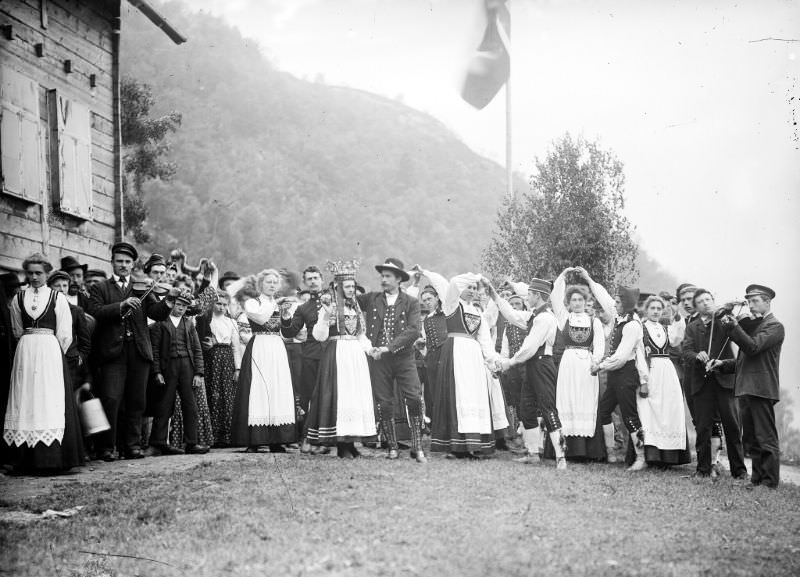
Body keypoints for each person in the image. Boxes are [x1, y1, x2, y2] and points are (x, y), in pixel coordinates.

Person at [87, 242, 175, 461]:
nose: (123, 265)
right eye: (119, 261)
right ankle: (106, 448)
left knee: (137, 401)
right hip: (112, 353)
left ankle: (132, 446)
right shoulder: (100, 288)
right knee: (111, 399)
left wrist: (170, 300)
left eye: (127, 262)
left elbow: (157, 313)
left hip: (138, 352)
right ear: (112, 262)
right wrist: (121, 306)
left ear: (133, 263)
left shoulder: (143, 287)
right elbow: (95, 312)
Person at [3, 254, 83, 472]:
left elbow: (65, 334)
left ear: (47, 273)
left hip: (50, 351)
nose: (34, 276)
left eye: (39, 272)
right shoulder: (19, 298)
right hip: (26, 351)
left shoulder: (57, 298)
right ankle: (23, 458)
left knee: (48, 398)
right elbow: (17, 329)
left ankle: (52, 458)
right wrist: (30, 345)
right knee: (26, 397)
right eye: (30, 273)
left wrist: (52, 354)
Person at [306, 260, 376, 458]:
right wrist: (325, 318)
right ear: (337, 287)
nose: (351, 289)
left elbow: (361, 335)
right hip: (337, 354)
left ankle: (352, 443)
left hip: (355, 355)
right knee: (342, 396)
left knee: (354, 396)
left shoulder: (356, 309)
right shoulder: (328, 308)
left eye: (353, 286)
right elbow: (319, 336)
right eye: (347, 286)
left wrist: (370, 350)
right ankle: (342, 445)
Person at [494, 278, 567, 469]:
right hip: (533, 366)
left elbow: (529, 348)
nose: (527, 298)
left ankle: (561, 457)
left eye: (530, 295)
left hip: (543, 365)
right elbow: (512, 316)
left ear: (538, 296)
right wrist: (495, 296)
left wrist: (508, 363)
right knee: (526, 408)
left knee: (548, 409)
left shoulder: (545, 318)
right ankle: (533, 453)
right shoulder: (534, 316)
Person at [358, 258, 426, 462]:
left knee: (414, 397)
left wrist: (388, 348)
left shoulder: (411, 302)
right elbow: (348, 298)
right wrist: (343, 279)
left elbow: (414, 330)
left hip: (403, 358)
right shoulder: (371, 299)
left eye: (388, 276)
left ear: (399, 279)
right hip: (379, 360)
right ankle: (392, 446)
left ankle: (417, 445)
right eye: (382, 276)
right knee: (384, 402)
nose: (383, 279)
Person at [720, 284, 784, 488]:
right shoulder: (755, 326)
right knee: (751, 439)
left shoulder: (774, 326)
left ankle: (770, 481)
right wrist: (722, 364)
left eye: (756, 301)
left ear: (768, 302)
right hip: (746, 387)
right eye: (749, 301)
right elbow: (744, 361)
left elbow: (753, 348)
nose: (751, 305)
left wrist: (733, 327)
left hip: (761, 388)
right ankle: (757, 479)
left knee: (765, 437)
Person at [681, 289, 747, 480]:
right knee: (703, 428)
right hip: (702, 383)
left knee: (732, 427)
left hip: (725, 382)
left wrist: (727, 315)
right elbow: (686, 352)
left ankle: (739, 472)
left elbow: (738, 336)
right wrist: (697, 356)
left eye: (708, 299)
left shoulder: (723, 321)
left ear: (714, 301)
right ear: (696, 306)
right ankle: (702, 470)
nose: (705, 303)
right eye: (700, 301)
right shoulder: (692, 327)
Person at [232, 270, 299, 452]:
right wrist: (276, 305)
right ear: (260, 284)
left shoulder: (278, 304)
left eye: (274, 283)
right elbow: (260, 317)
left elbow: (287, 332)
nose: (271, 285)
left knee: (278, 389)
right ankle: (255, 440)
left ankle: (277, 440)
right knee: (258, 390)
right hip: (260, 345)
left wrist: (285, 316)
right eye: (268, 282)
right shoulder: (253, 302)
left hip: (277, 347)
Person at [550, 267, 607, 461]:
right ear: (569, 302)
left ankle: (588, 450)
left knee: (586, 401)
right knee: (567, 399)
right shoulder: (564, 317)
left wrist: (596, 363)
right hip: (568, 363)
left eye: (580, 299)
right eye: (573, 300)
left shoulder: (594, 321)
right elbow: (555, 297)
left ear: (586, 301)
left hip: (587, 366)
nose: (577, 303)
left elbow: (599, 346)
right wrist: (564, 275)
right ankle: (567, 448)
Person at [149, 291, 210, 455]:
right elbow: (154, 350)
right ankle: (158, 443)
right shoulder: (160, 323)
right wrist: (157, 372)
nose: (181, 308)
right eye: (178, 304)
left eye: (184, 305)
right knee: (164, 405)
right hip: (168, 367)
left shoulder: (189, 324)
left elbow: (197, 349)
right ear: (172, 304)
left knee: (190, 405)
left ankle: (192, 443)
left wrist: (198, 373)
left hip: (187, 367)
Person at [596, 286, 649, 472]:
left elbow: (620, 357)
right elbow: (604, 298)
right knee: (604, 410)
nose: (614, 305)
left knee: (630, 416)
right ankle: (611, 452)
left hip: (626, 374)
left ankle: (641, 457)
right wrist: (587, 279)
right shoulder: (620, 319)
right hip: (615, 375)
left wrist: (600, 366)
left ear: (626, 304)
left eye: (618, 302)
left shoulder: (633, 325)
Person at [637, 295, 691, 466]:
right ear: (646, 310)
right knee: (650, 412)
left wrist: (677, 317)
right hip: (650, 370)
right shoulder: (641, 328)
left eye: (658, 309)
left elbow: (676, 340)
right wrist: (643, 380)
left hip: (667, 371)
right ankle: (651, 456)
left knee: (668, 409)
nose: (655, 311)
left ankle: (669, 457)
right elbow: (639, 355)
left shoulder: (665, 328)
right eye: (652, 308)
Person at [280, 265, 327, 453]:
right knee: (309, 398)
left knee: (330, 396)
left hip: (332, 354)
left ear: (322, 279)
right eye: (310, 279)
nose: (313, 281)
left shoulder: (333, 301)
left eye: (316, 278)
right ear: (305, 282)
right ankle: (309, 438)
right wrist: (285, 316)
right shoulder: (303, 308)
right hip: (310, 356)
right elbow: (290, 331)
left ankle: (330, 439)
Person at [196, 290, 242, 447]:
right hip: (212, 359)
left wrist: (238, 369)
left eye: (224, 304)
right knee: (212, 393)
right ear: (212, 304)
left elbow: (236, 347)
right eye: (218, 303)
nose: (222, 307)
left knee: (228, 396)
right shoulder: (206, 320)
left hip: (227, 359)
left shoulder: (232, 323)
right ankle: (213, 436)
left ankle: (228, 436)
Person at [47, 271, 92, 402]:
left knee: (66, 399)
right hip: (48, 359)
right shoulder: (45, 310)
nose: (62, 289)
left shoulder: (76, 311)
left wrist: (80, 357)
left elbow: (85, 341)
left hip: (70, 362)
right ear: (50, 288)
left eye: (65, 285)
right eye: (57, 285)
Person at [419, 285, 447, 425]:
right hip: (432, 357)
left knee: (446, 390)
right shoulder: (426, 319)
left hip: (445, 353)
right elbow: (427, 340)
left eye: (429, 299)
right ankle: (438, 424)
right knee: (433, 392)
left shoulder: (446, 312)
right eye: (424, 300)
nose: (427, 302)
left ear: (437, 298)